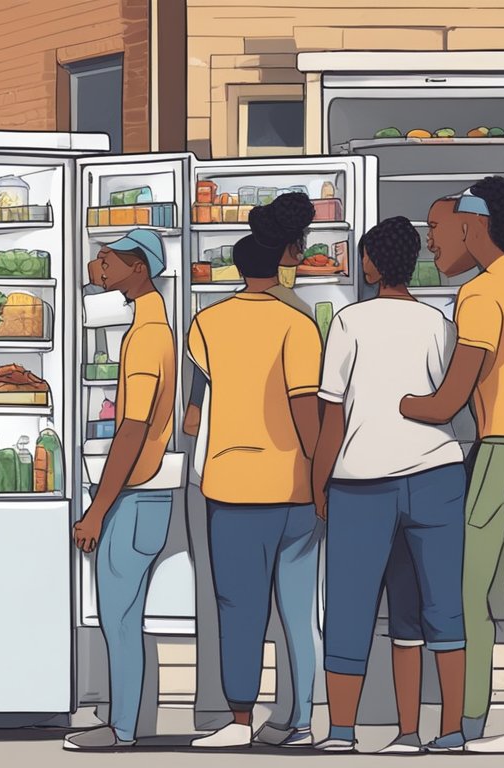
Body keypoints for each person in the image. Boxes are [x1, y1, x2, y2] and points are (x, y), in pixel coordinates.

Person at [401, 179, 504, 754]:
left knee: (467, 593)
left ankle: (464, 723)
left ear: (473, 226)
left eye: (439, 229)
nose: (430, 243)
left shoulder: (480, 293)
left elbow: (449, 400)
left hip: (503, 451)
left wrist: (402, 403)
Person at [310, 217, 468, 755]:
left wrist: (318, 481)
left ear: (374, 263)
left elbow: (331, 416)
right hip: (437, 473)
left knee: (351, 605)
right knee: (436, 607)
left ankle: (341, 731)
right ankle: (440, 731)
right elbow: (454, 397)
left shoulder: (349, 323)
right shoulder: (439, 322)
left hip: (363, 481)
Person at [188, 193, 322, 750]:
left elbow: (194, 416)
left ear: (238, 269)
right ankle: (302, 720)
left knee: (238, 607)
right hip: (294, 487)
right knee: (298, 610)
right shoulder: (301, 321)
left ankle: (240, 721)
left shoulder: (206, 323)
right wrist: (321, 482)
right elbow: (306, 410)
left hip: (232, 487)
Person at [66, 229, 176, 750]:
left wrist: (96, 511)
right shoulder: (152, 324)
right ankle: (128, 722)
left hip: (134, 497)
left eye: (107, 260)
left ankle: (124, 729)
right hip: (146, 495)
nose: (99, 267)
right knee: (126, 614)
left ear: (138, 267)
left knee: (120, 616)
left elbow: (131, 431)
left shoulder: (145, 337)